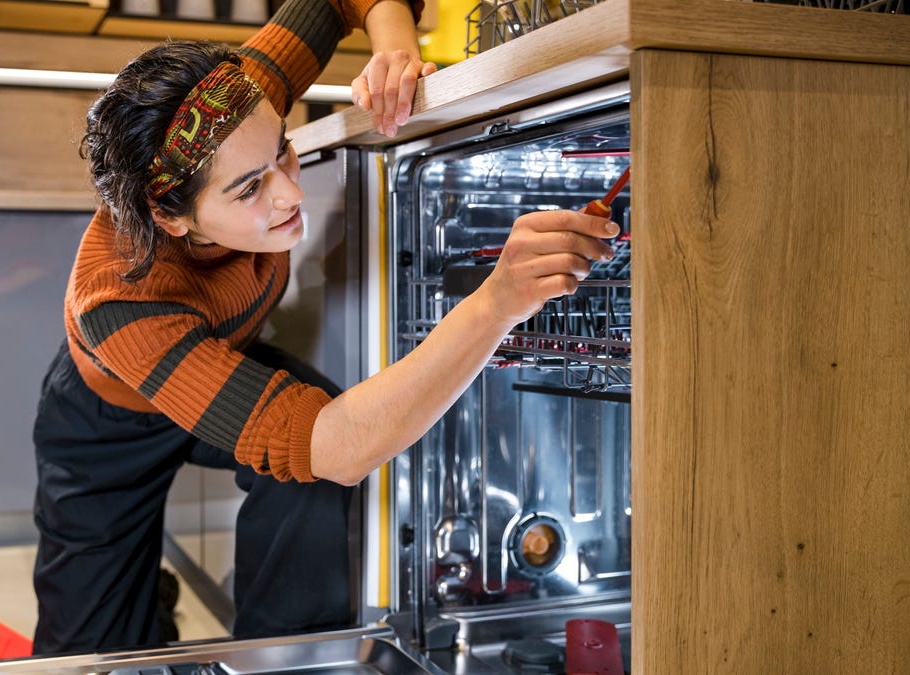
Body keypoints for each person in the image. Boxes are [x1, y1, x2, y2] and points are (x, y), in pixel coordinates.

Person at [31, 0, 620, 656]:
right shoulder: (119, 300)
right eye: (250, 189)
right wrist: (495, 302)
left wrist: (394, 49)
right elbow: (335, 444)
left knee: (304, 481)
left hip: (222, 356)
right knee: (84, 654)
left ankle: (282, 662)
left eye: (282, 152)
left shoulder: (232, 99)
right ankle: (142, 608)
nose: (289, 191)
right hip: (106, 421)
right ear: (172, 219)